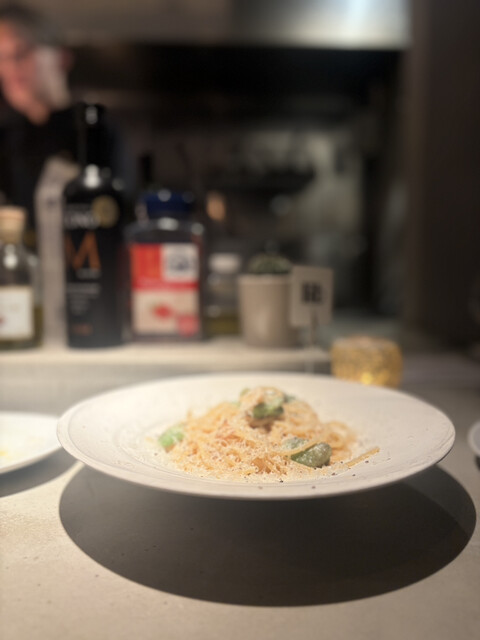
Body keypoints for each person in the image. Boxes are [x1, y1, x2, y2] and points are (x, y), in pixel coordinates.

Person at [0, 3, 135, 249]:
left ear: (62, 58)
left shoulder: (96, 129)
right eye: (1, 58)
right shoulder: (6, 138)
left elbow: (123, 211)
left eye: (20, 53)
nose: (11, 68)